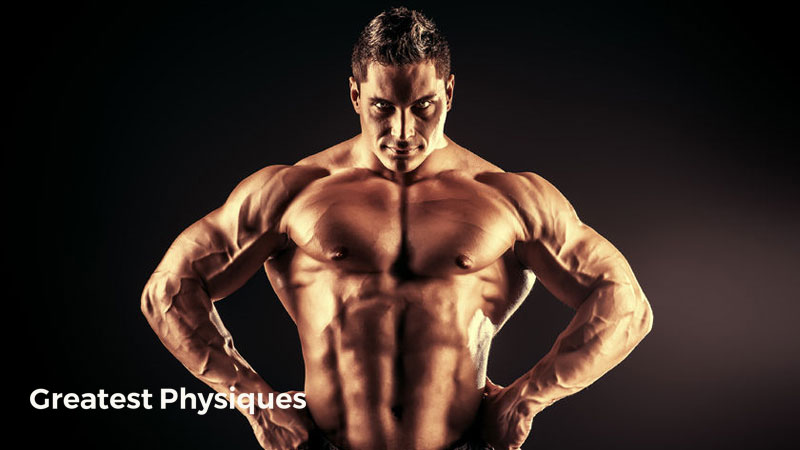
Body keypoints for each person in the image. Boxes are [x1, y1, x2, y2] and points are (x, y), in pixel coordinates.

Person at [140, 7, 653, 450]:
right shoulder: (294, 190)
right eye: (383, 108)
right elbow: (168, 291)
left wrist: (527, 399)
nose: (404, 132)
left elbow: (625, 304)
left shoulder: (509, 197)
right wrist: (259, 406)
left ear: (449, 92)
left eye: (423, 107)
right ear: (355, 96)